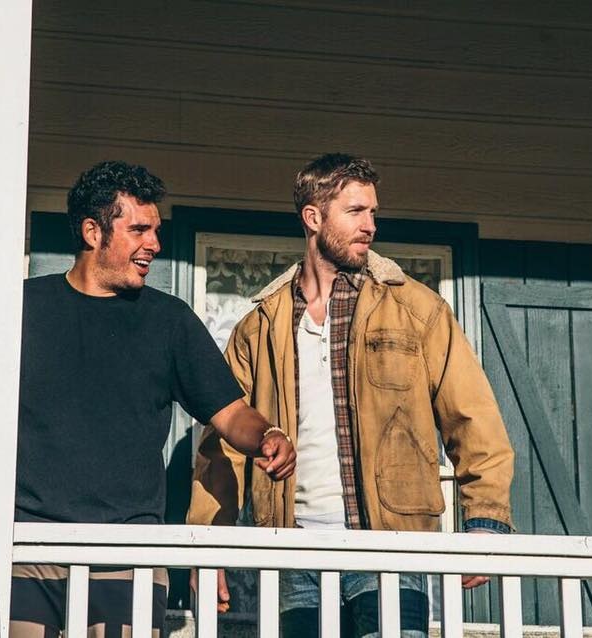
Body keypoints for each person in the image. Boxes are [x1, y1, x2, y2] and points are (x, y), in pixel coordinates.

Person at [0, 160, 295, 638]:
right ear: (93, 232)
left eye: (156, 231)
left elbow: (231, 412)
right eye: (138, 230)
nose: (154, 244)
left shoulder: (170, 322)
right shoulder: (15, 309)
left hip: (127, 551)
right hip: (22, 545)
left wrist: (267, 435)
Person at [186, 153, 514, 637]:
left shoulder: (416, 308)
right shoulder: (261, 325)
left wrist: (485, 519)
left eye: (373, 212)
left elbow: (472, 416)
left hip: (393, 546)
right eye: (355, 211)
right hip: (293, 551)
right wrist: (208, 544)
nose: (370, 226)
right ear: (313, 218)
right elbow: (224, 443)